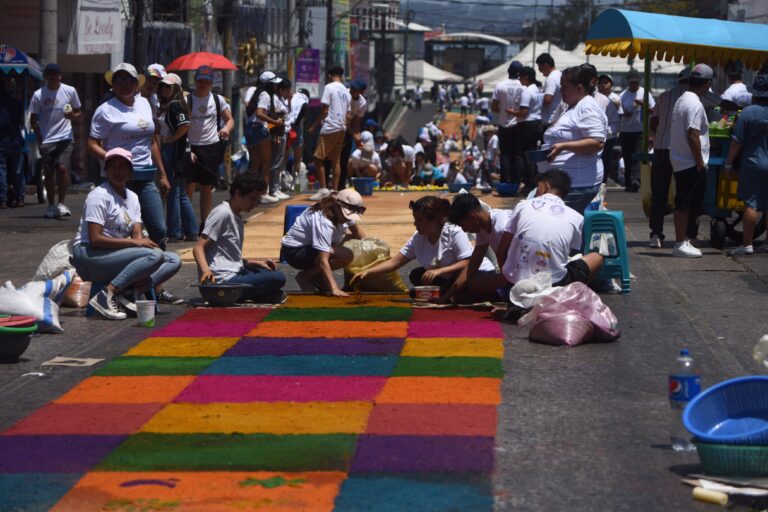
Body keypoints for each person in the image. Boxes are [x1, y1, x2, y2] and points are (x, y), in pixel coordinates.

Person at [72, 148, 182, 320]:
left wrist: (139, 244)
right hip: (89, 256)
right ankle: (108, 292)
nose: (117, 171)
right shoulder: (99, 195)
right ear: (106, 171)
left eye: (122, 167)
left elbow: (137, 235)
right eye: (112, 167)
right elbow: (95, 239)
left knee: (174, 259)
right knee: (155, 255)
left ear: (130, 172)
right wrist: (135, 244)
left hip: (116, 254)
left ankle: (130, 291)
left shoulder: (132, 197)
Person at [88, 63, 172, 251]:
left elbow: (151, 141)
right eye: (119, 79)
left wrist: (163, 174)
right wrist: (113, 159)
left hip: (145, 176)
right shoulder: (105, 110)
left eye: (129, 80)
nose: (124, 83)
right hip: (119, 179)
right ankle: (132, 273)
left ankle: (154, 270)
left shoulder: (144, 103)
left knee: (159, 228)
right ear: (113, 84)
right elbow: (92, 144)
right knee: (126, 230)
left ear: (137, 84)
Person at [351, 196, 494, 295]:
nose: (415, 224)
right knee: (417, 275)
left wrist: (440, 271)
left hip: (475, 273)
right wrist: (368, 272)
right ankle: (448, 292)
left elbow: (468, 262)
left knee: (457, 281)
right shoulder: (417, 238)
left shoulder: (453, 232)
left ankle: (453, 293)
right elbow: (395, 262)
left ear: (435, 221)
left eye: (419, 221)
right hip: (447, 279)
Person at [194, 173, 286, 302]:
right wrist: (206, 271)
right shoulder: (223, 213)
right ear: (238, 193)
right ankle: (253, 295)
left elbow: (225, 257)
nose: (255, 204)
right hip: (222, 282)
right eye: (252, 199)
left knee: (269, 274)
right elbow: (199, 247)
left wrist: (257, 263)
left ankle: (259, 295)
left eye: (257, 200)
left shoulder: (236, 215)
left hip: (234, 275)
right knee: (278, 278)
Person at [506, 170, 603, 289]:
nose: (536, 191)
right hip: (554, 283)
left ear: (546, 185)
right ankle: (571, 293)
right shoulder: (577, 218)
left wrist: (507, 278)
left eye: (537, 186)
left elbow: (503, 247)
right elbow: (568, 250)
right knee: (597, 258)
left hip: (514, 280)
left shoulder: (522, 205)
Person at [539, 65, 608, 213]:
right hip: (565, 181)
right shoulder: (573, 106)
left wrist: (563, 147)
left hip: (577, 182)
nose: (560, 91)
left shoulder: (587, 107)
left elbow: (597, 142)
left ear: (580, 88)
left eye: (564, 87)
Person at [281, 188, 367, 296]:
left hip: (310, 247)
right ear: (337, 206)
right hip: (296, 252)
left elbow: (358, 234)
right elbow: (323, 260)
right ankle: (306, 276)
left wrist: (371, 252)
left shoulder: (341, 209)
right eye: (346, 216)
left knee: (352, 241)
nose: (347, 219)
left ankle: (316, 276)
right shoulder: (323, 221)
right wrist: (334, 288)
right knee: (346, 255)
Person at [669, 63, 714, 258]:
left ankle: (683, 240)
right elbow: (693, 134)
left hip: (680, 159)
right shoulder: (695, 103)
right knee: (686, 203)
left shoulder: (682, 99)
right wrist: (699, 163)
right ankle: (681, 241)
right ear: (707, 84)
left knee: (684, 202)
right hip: (690, 161)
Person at [724, 71, 768, 255]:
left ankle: (747, 244)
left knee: (751, 204)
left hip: (753, 162)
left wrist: (728, 163)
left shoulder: (748, 113)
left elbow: (737, 142)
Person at [30, 63, 82, 218]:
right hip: (47, 138)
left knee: (62, 168)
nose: (53, 76)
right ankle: (51, 205)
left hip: (65, 136)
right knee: (49, 171)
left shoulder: (69, 91)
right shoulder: (39, 94)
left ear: (60, 75)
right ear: (46, 76)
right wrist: (40, 137)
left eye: (56, 73)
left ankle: (61, 203)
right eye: (50, 73)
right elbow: (33, 119)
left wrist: (73, 116)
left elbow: (78, 111)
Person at [443, 193, 515, 303]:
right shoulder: (483, 228)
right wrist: (446, 297)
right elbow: (472, 266)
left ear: (472, 217)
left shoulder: (503, 226)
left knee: (471, 287)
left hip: (522, 275)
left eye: (463, 225)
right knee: (465, 283)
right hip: (508, 276)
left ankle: (507, 296)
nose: (464, 230)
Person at [187, 65, 235, 226]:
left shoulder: (217, 100)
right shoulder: (188, 100)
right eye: (200, 81)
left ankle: (205, 223)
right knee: (189, 185)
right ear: (195, 81)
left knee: (207, 187)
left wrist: (226, 128)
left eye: (206, 82)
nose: (203, 84)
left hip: (210, 146)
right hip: (191, 146)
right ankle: (187, 224)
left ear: (211, 83)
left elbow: (230, 119)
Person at [648, 68, 689, 249]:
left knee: (659, 194)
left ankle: (656, 234)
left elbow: (653, 122)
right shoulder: (693, 98)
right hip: (682, 151)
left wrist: (659, 134)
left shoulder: (664, 96)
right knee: (684, 193)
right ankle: (685, 235)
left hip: (661, 149)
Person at [157, 72, 197, 243]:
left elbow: (185, 125)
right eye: (163, 86)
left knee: (174, 192)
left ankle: (175, 232)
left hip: (173, 150)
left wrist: (171, 139)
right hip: (177, 149)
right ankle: (191, 230)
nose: (165, 89)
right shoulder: (175, 104)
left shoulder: (175, 105)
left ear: (176, 89)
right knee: (179, 193)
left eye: (168, 86)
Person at [309, 66, 350, 200]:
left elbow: (325, 110)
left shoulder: (329, 87)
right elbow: (348, 115)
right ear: (341, 76)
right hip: (342, 128)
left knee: (317, 158)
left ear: (330, 76)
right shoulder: (346, 91)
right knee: (335, 160)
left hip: (330, 126)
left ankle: (323, 189)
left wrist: (314, 125)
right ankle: (335, 190)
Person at [244, 71, 283, 204]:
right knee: (266, 162)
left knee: (254, 164)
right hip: (260, 129)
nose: (276, 87)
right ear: (269, 84)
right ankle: (263, 193)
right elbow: (260, 113)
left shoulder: (257, 93)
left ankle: (248, 192)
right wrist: (275, 122)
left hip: (250, 128)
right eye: (274, 84)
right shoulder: (265, 95)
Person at [492, 60, 530, 186]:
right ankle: (517, 180)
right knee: (518, 154)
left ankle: (505, 180)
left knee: (505, 154)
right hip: (518, 123)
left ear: (508, 71)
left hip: (503, 123)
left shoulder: (500, 85)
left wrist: (503, 110)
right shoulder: (523, 86)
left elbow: (494, 107)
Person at [619, 69, 655, 192]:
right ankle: (628, 182)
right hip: (625, 131)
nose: (634, 85)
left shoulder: (644, 93)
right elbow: (620, 112)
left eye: (636, 82)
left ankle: (636, 180)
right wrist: (629, 110)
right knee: (627, 157)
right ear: (628, 83)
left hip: (640, 130)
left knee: (637, 156)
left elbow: (653, 109)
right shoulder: (623, 95)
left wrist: (642, 104)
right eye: (631, 82)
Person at [337, 78, 368, 192]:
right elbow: (343, 120)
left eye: (355, 89)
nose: (352, 91)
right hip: (336, 127)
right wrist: (354, 134)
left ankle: (341, 187)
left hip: (347, 132)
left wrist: (358, 137)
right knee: (332, 159)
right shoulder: (344, 95)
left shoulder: (362, 103)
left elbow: (356, 122)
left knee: (344, 160)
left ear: (361, 92)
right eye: (352, 88)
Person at [0, 77, 23, 209]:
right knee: (17, 170)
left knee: (1, 170)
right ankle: (20, 198)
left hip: (2, 140)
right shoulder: (16, 103)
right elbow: (20, 120)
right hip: (14, 139)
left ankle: (2, 200)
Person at [518, 66, 543, 191]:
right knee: (532, 155)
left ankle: (528, 183)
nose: (519, 79)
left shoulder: (527, 91)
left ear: (526, 77)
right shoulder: (537, 89)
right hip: (537, 122)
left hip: (528, 124)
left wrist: (511, 112)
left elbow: (523, 112)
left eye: (520, 77)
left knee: (526, 156)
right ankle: (532, 182)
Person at [596, 74, 622, 184]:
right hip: (596, 134)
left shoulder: (615, 98)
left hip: (609, 134)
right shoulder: (594, 97)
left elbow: (620, 115)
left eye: (606, 82)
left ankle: (603, 182)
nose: (603, 85)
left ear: (611, 85)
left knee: (605, 160)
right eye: (601, 82)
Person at [286, 87, 310, 182]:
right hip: (295, 127)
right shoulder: (304, 98)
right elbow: (305, 106)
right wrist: (298, 121)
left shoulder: (293, 96)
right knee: (297, 159)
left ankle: (280, 182)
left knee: (284, 156)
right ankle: (295, 182)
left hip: (287, 126)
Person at [536, 53, 562, 130]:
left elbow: (548, 99)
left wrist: (537, 99)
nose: (540, 71)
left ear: (546, 66)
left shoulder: (551, 78)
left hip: (550, 121)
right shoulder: (560, 75)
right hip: (558, 118)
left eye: (540, 68)